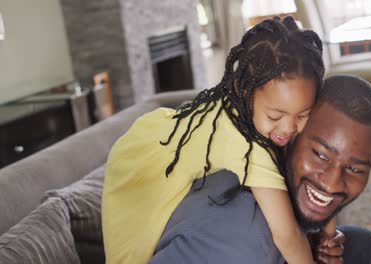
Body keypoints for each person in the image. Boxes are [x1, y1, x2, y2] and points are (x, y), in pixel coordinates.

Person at [102, 16, 325, 264]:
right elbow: (286, 235)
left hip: (166, 138)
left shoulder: (252, 115)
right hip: (140, 167)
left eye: (303, 114)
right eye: (275, 115)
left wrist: (328, 233)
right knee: (135, 250)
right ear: (243, 91)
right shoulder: (243, 142)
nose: (289, 127)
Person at [149, 75, 371, 264]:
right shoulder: (243, 241)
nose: (333, 183)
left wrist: (312, 241)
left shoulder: (269, 154)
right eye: (320, 155)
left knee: (364, 245)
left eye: (354, 169)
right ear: (289, 134)